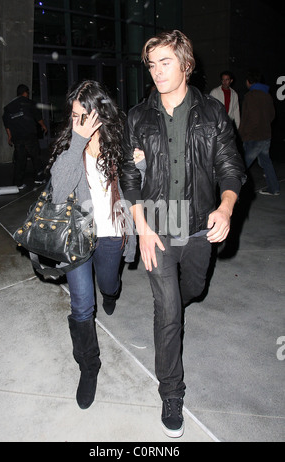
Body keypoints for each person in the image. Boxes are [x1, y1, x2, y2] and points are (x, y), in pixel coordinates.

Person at [120, 30, 246, 438]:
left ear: (186, 65)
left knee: (193, 288)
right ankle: (171, 391)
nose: (156, 71)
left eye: (165, 62)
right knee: (169, 313)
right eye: (152, 64)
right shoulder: (137, 117)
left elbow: (230, 166)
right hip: (156, 228)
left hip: (196, 229)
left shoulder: (213, 115)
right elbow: (127, 175)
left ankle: (176, 298)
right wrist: (140, 228)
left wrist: (225, 207)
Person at [47, 79, 135, 410]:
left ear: (99, 114)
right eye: (73, 115)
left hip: (112, 232)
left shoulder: (118, 141)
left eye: (83, 115)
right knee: (83, 304)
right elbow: (58, 192)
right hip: (78, 235)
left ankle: (111, 292)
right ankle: (89, 367)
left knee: (108, 283)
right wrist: (77, 142)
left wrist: (138, 165)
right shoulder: (71, 145)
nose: (77, 121)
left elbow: (134, 187)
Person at [239, 70, 280, 196]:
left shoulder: (250, 96)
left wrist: (242, 134)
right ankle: (274, 188)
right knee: (266, 162)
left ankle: (235, 192)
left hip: (253, 137)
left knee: (242, 165)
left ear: (249, 82)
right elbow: (272, 115)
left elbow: (247, 118)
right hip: (266, 134)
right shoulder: (267, 96)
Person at [2, 84, 47, 189]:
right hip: (29, 135)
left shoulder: (8, 107)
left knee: (20, 160)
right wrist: (43, 126)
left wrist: (9, 137)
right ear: (26, 93)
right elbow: (38, 117)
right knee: (36, 157)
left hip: (17, 137)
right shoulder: (30, 103)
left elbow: (7, 124)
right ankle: (39, 178)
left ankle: (18, 183)